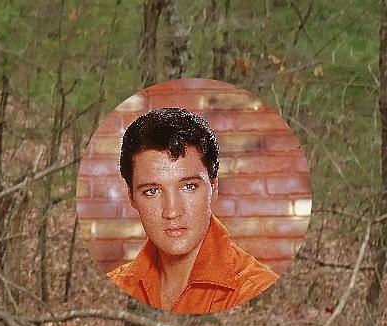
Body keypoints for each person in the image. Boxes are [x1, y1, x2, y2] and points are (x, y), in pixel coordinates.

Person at [105, 107, 277, 314]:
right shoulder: (119, 284)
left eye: (188, 187)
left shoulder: (255, 291)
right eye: (152, 191)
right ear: (132, 196)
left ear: (213, 188)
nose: (172, 211)